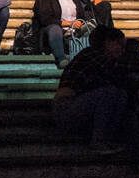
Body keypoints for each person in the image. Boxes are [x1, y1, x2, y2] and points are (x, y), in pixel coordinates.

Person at [52, 26, 131, 154]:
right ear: (108, 42)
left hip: (80, 106)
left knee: (120, 94)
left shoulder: (106, 60)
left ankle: (109, 138)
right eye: (119, 45)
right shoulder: (94, 55)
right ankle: (99, 141)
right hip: (66, 108)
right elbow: (111, 78)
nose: (122, 51)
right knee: (110, 92)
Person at [33, 0, 95, 68]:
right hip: (53, 32)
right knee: (54, 28)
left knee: (92, 28)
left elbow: (81, 15)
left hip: (73, 32)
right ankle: (61, 58)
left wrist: (79, 22)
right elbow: (44, 18)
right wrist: (68, 23)